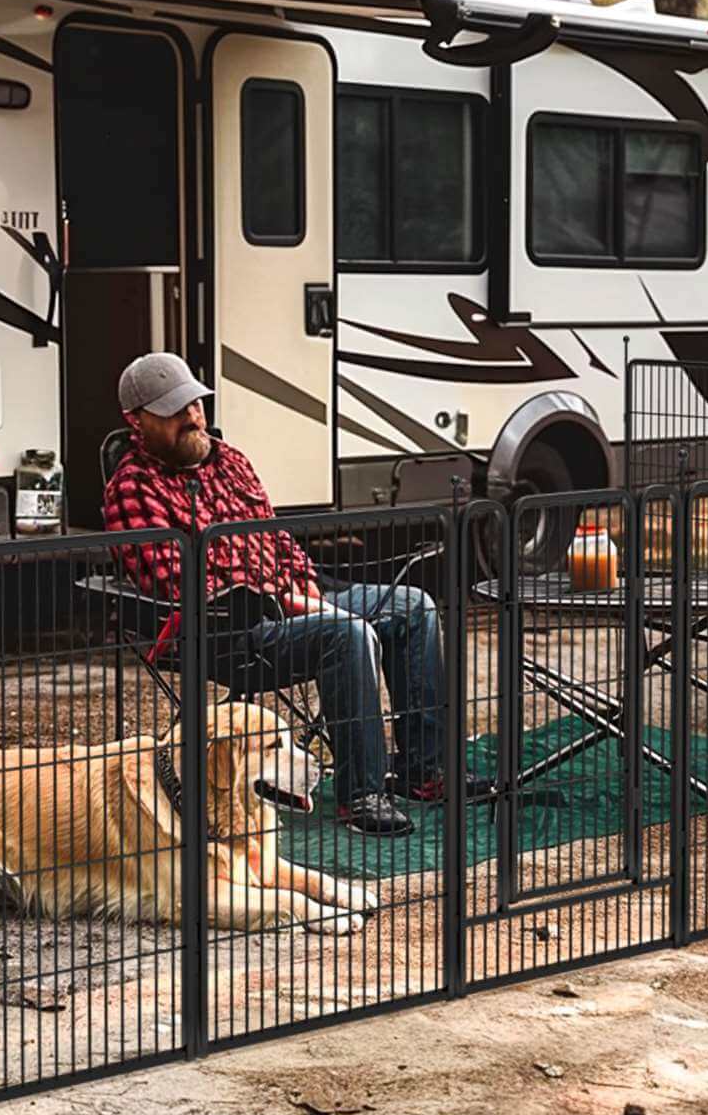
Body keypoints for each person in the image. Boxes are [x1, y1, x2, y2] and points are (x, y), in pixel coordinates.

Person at [104, 352, 452, 836]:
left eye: (195, 405)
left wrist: (306, 587)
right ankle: (362, 795)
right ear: (136, 421)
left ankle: (422, 772)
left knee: (415, 606)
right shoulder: (132, 487)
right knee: (347, 632)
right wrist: (294, 602)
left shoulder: (232, 462)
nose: (191, 417)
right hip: (231, 631)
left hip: (295, 601)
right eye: (173, 411)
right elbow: (183, 582)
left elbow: (277, 538)